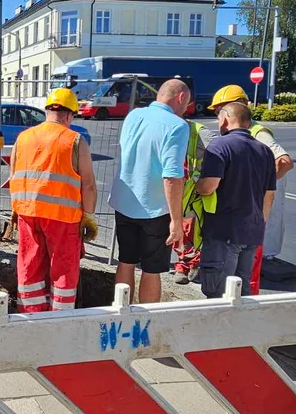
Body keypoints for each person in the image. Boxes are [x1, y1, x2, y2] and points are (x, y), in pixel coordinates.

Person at [10, 88, 97, 313]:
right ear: (69, 115)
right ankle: (60, 318)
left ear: (48, 110)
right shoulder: (75, 140)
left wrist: (16, 211)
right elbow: (88, 185)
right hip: (63, 219)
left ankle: (30, 316)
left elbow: (13, 176)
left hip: (28, 215)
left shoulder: (23, 138)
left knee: (30, 265)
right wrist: (88, 215)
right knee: (63, 270)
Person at [109, 79, 191, 303]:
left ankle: (120, 313)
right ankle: (146, 323)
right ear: (181, 97)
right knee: (152, 270)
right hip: (155, 208)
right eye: (186, 105)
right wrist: (176, 220)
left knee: (125, 260)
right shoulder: (177, 126)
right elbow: (172, 177)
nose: (185, 110)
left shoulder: (134, 116)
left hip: (124, 201)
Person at [208, 85, 295, 294]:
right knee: (239, 276)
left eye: (219, 110)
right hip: (250, 214)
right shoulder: (243, 133)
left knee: (242, 277)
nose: (217, 116)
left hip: (250, 213)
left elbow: (285, 162)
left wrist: (257, 184)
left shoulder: (258, 133)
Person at [195, 102, 276, 298]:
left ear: (225, 119)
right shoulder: (264, 151)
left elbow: (209, 186)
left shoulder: (220, 145)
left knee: (218, 294)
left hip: (224, 231)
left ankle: (217, 329)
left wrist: (196, 185)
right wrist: (259, 224)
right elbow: (269, 194)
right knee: (241, 292)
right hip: (252, 231)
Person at [173, 113, 213, 285]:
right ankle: (184, 264)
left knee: (190, 229)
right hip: (173, 187)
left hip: (192, 190)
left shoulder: (200, 132)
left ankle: (191, 263)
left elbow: (220, 155)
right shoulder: (168, 128)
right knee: (176, 229)